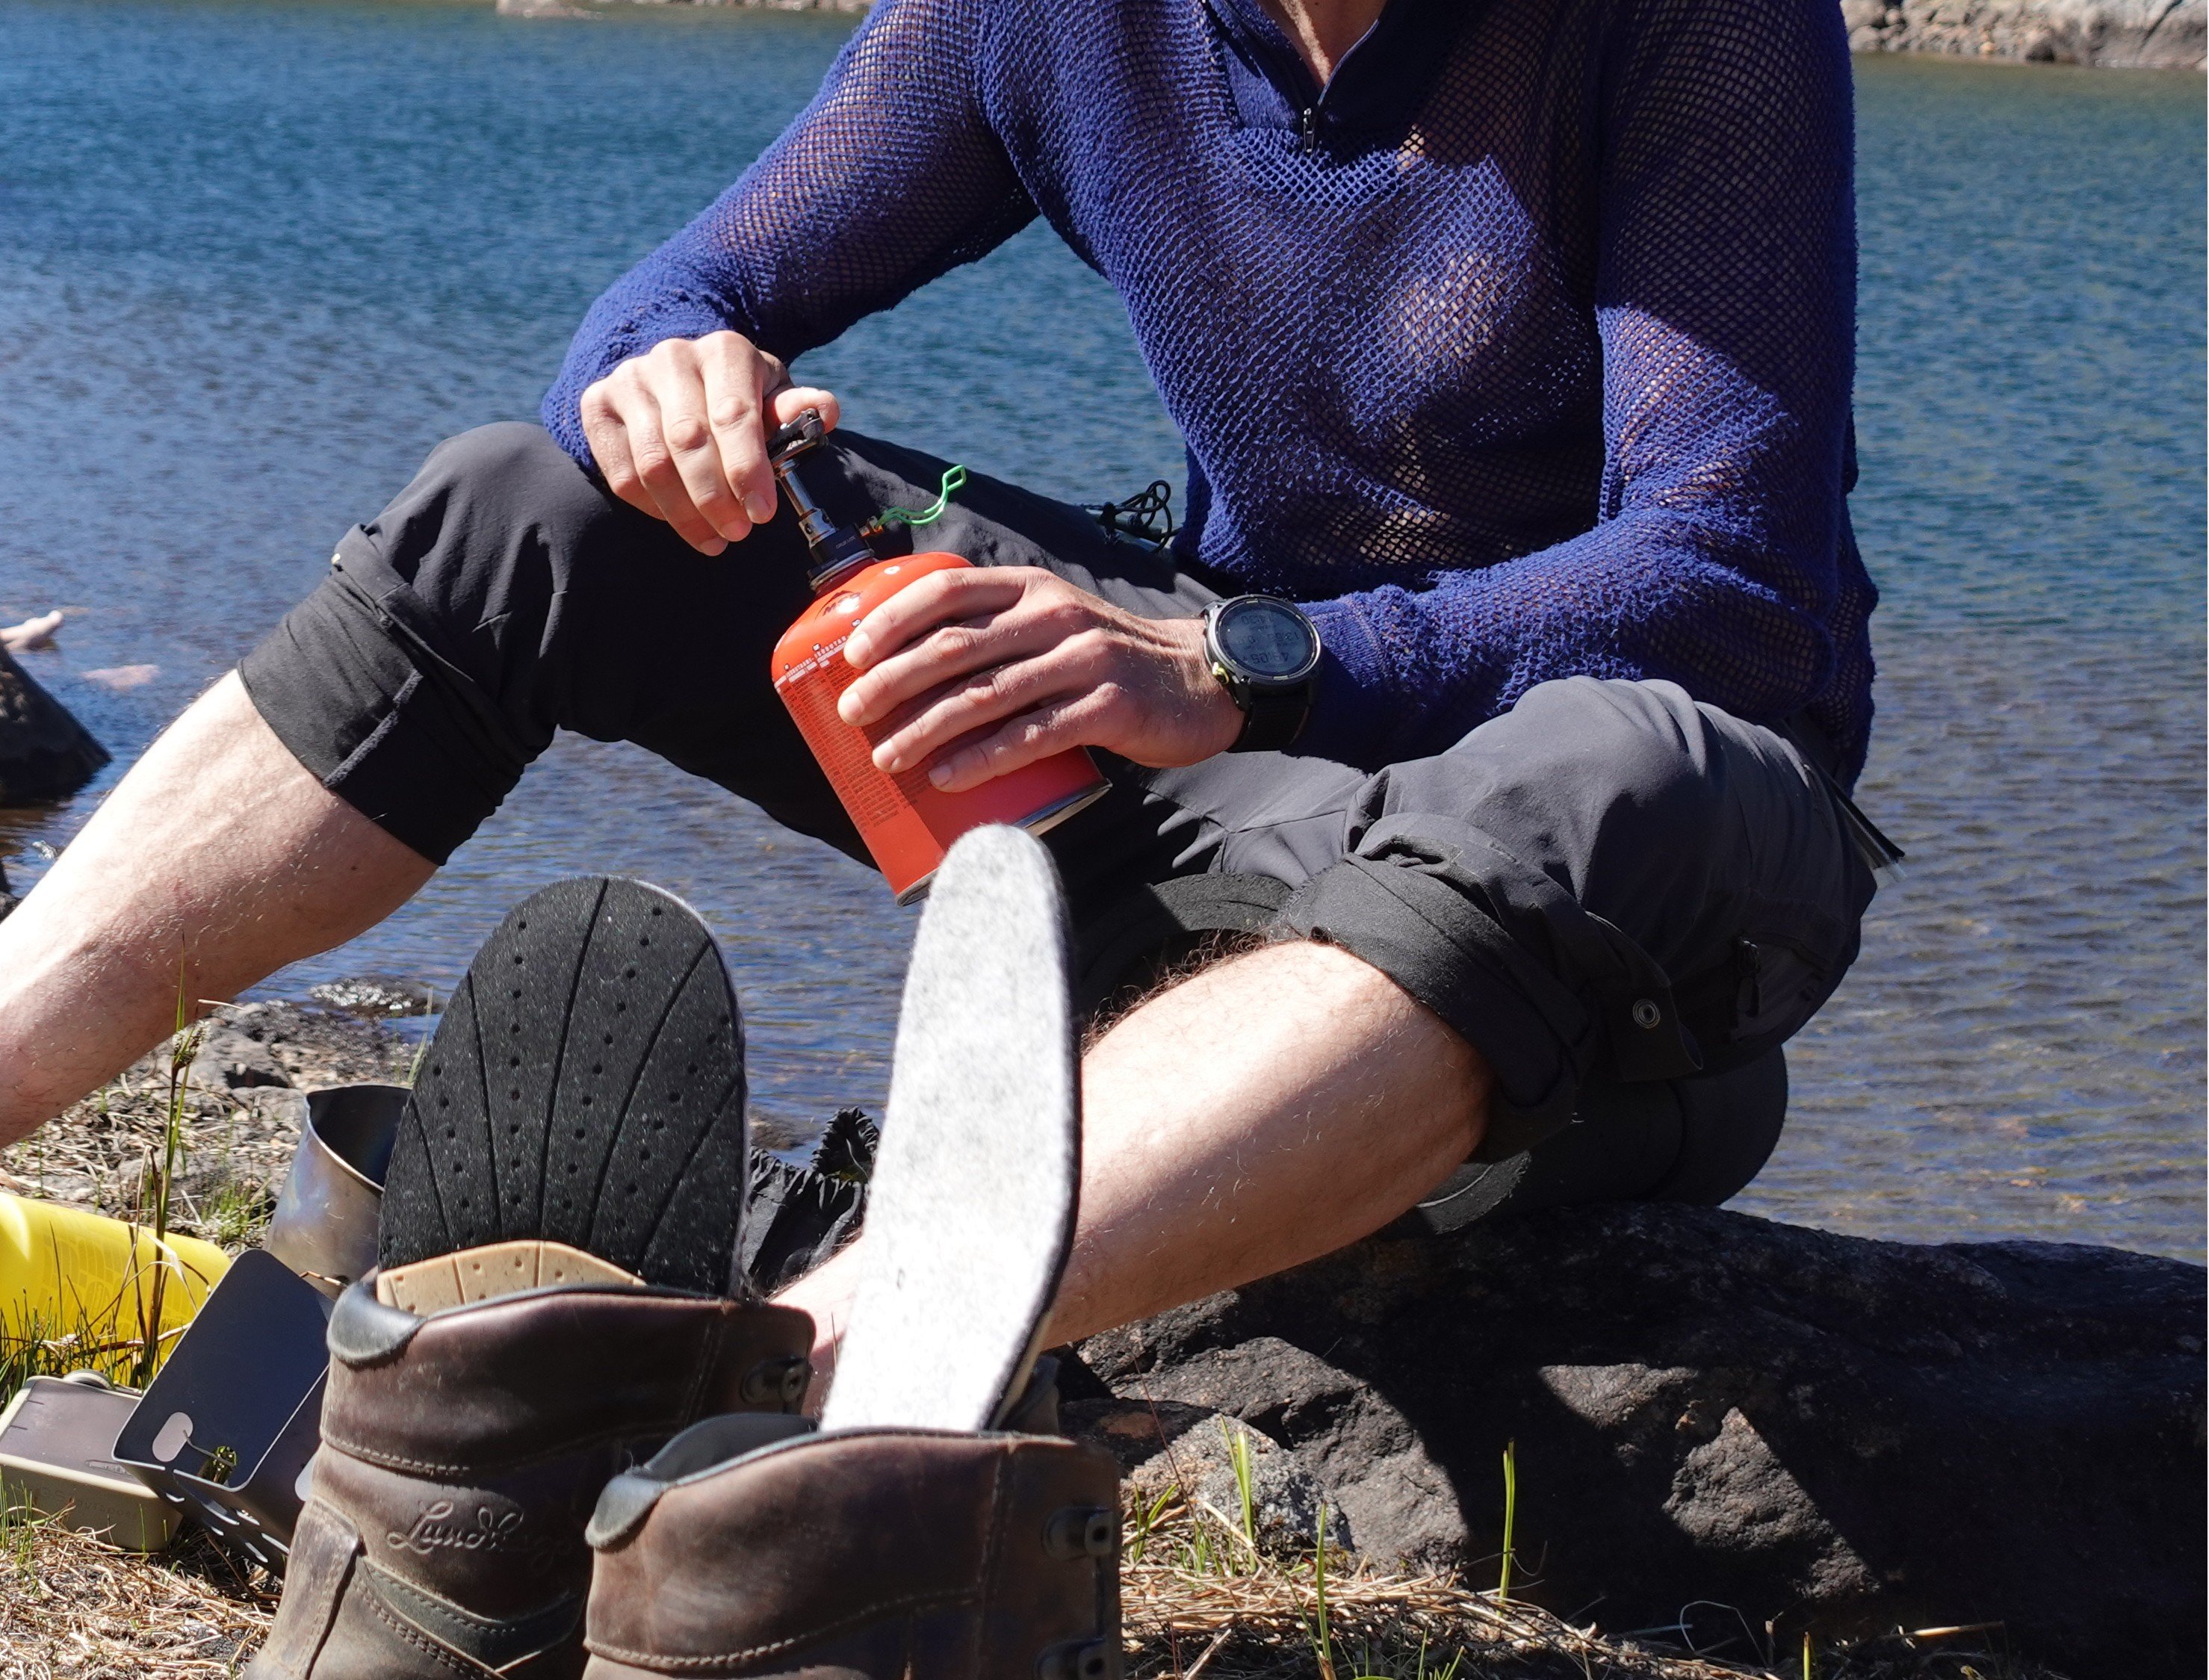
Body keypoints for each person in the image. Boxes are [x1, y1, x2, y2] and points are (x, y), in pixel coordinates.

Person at [0, 0, 1884, 1395]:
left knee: (1617, 764)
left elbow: (1730, 584)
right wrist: (667, 380)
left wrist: (1230, 666)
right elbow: (683, 291)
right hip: (1231, 791)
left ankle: (773, 1392)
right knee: (532, 508)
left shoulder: (1694, 24)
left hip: (1607, 903)